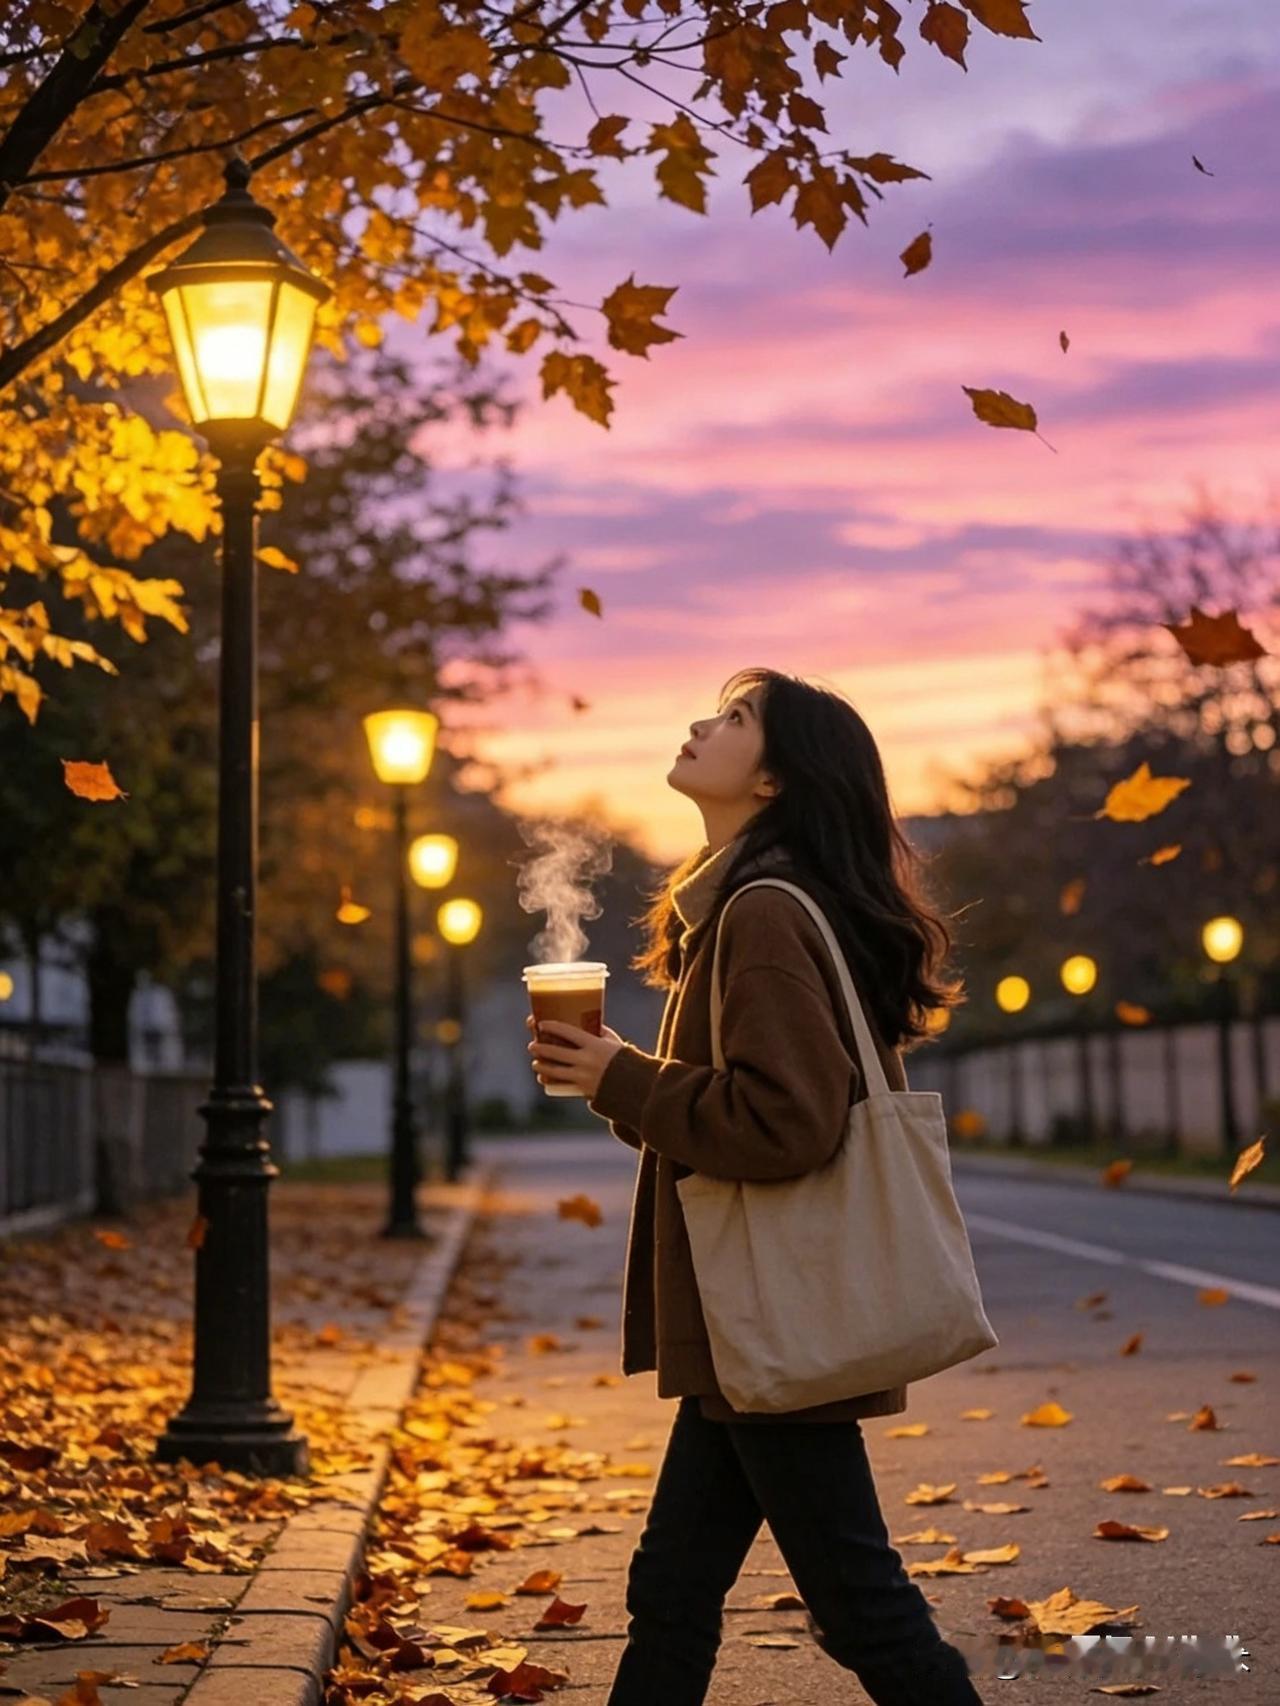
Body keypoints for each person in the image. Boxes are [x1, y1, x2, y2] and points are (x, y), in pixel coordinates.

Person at [526, 667, 985, 1706]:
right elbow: (757, 1102)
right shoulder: (742, 902)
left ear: (775, 778)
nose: (699, 723)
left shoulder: (765, 911)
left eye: (733, 719)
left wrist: (623, 1075)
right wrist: (623, 1077)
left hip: (769, 1312)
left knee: (859, 1603)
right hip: (749, 1323)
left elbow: (785, 1122)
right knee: (672, 1587)